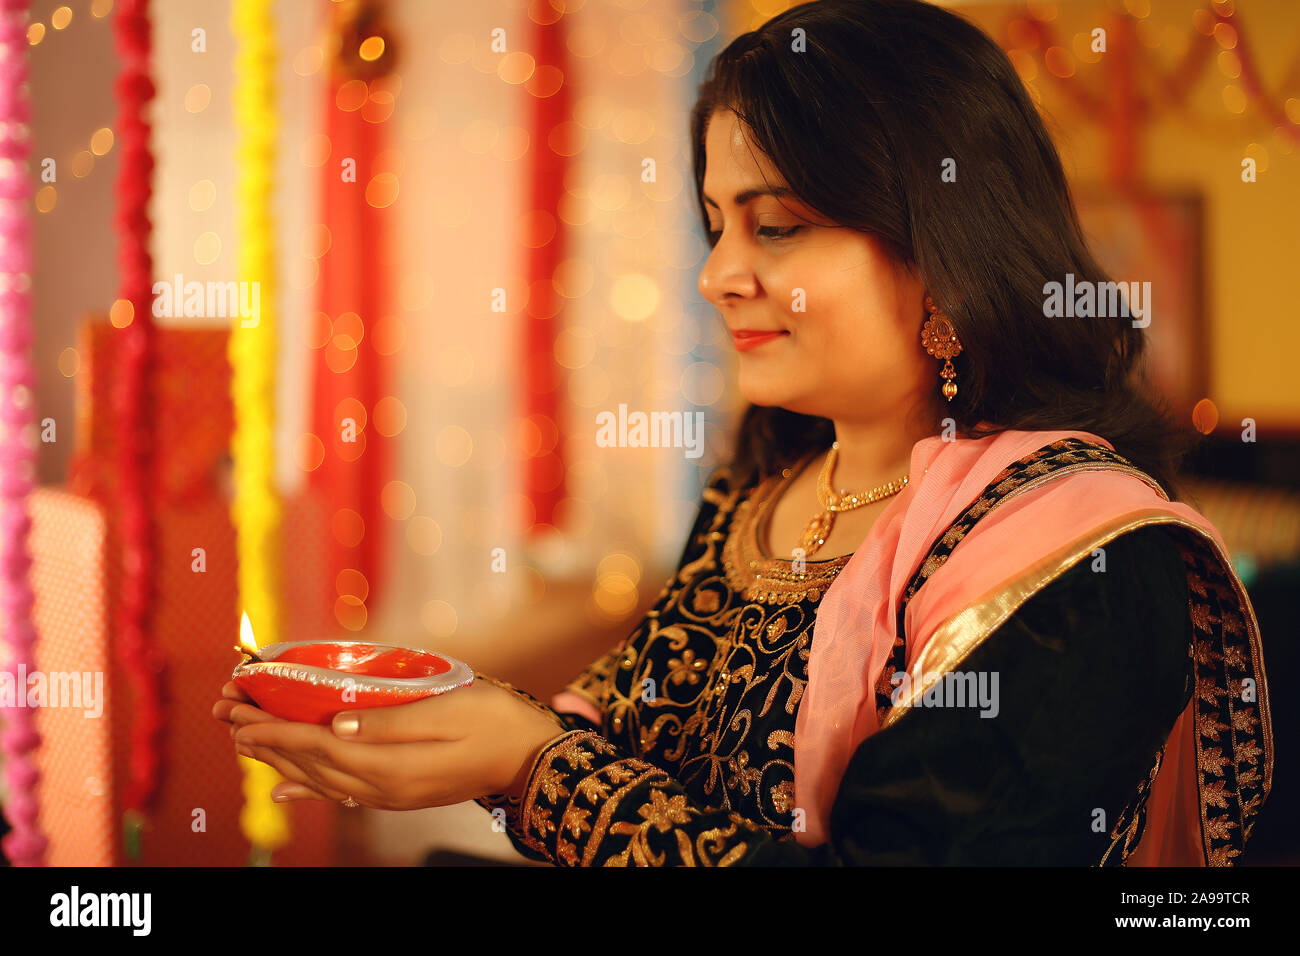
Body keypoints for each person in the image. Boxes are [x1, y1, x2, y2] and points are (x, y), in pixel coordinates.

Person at [214, 0, 1272, 866]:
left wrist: (532, 767)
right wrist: (439, 727)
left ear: (943, 247)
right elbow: (631, 752)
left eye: (775, 226)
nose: (718, 274)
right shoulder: (764, 488)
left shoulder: (1075, 557)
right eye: (715, 224)